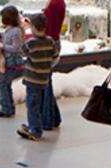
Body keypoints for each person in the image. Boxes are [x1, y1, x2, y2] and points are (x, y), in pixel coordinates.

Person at [17, 12, 58, 142]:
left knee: (32, 105)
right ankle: (34, 126)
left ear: (33, 27)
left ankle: (35, 131)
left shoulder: (31, 43)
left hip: (32, 79)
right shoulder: (50, 41)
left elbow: (21, 52)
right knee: (38, 104)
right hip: (43, 79)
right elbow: (55, 56)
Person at [0, 5, 25, 118]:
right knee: (5, 84)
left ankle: (6, 107)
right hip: (6, 62)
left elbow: (16, 48)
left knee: (3, 83)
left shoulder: (15, 31)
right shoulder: (8, 31)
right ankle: (8, 106)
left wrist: (3, 46)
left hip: (12, 62)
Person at [39, 0, 65, 130]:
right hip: (53, 42)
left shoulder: (55, 3)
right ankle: (53, 117)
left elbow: (49, 26)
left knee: (45, 83)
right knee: (47, 81)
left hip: (48, 44)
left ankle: (47, 119)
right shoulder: (58, 3)